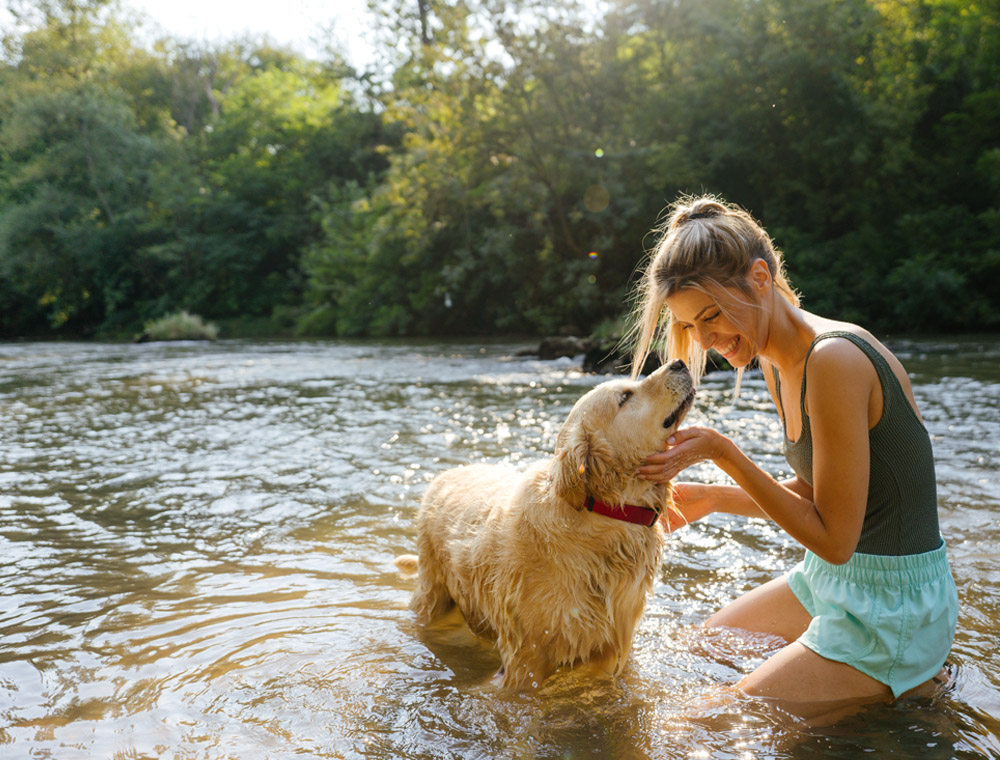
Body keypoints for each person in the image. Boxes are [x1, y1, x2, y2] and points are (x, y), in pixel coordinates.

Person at [629, 194, 958, 723]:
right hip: (837, 582)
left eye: (711, 316)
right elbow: (817, 491)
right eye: (691, 327)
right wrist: (712, 499)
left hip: (894, 606)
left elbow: (834, 538)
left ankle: (908, 677)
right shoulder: (780, 361)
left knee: (705, 723)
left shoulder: (833, 360)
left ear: (761, 276)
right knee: (702, 647)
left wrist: (724, 453)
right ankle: (890, 686)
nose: (706, 340)